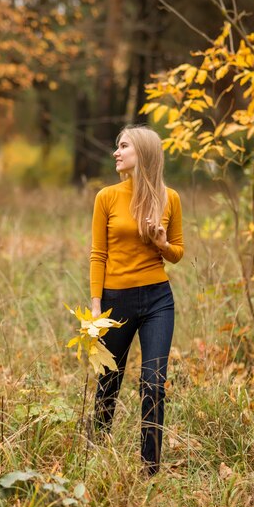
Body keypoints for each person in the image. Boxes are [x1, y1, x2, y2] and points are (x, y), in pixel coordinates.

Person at [90, 124, 184, 476]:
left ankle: (150, 469)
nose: (116, 152)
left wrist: (161, 243)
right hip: (116, 299)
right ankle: (97, 451)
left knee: (153, 381)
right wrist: (97, 304)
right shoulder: (107, 197)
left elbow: (177, 253)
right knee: (108, 380)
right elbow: (98, 254)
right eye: (117, 146)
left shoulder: (169, 197)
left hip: (159, 299)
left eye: (123, 146)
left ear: (142, 153)